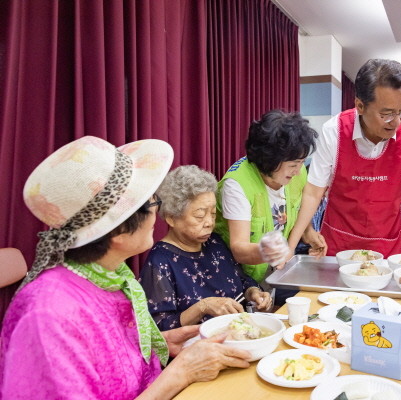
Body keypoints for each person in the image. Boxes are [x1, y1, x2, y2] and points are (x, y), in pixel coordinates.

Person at [0, 137, 252, 399]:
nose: (157, 213)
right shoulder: (49, 314)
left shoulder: (113, 278)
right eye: (152, 204)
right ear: (119, 229)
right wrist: (182, 372)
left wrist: (159, 345)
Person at [287, 59, 401, 259]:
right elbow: (313, 193)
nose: (397, 122)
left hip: (386, 241)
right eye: (387, 114)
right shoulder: (335, 131)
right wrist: (291, 246)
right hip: (338, 240)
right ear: (360, 106)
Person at [140, 165, 272, 331]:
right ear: (171, 218)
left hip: (239, 335)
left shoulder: (214, 243)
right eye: (200, 216)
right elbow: (159, 328)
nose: (209, 222)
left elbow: (241, 280)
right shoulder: (160, 262)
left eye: (213, 214)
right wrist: (203, 307)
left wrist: (253, 293)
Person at [215, 110, 325, 301]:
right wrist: (271, 252)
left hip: (276, 272)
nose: (298, 171)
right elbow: (239, 249)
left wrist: (307, 231)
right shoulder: (237, 184)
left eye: (302, 162)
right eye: (293, 164)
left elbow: (297, 206)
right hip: (239, 279)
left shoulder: (296, 173)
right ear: (270, 159)